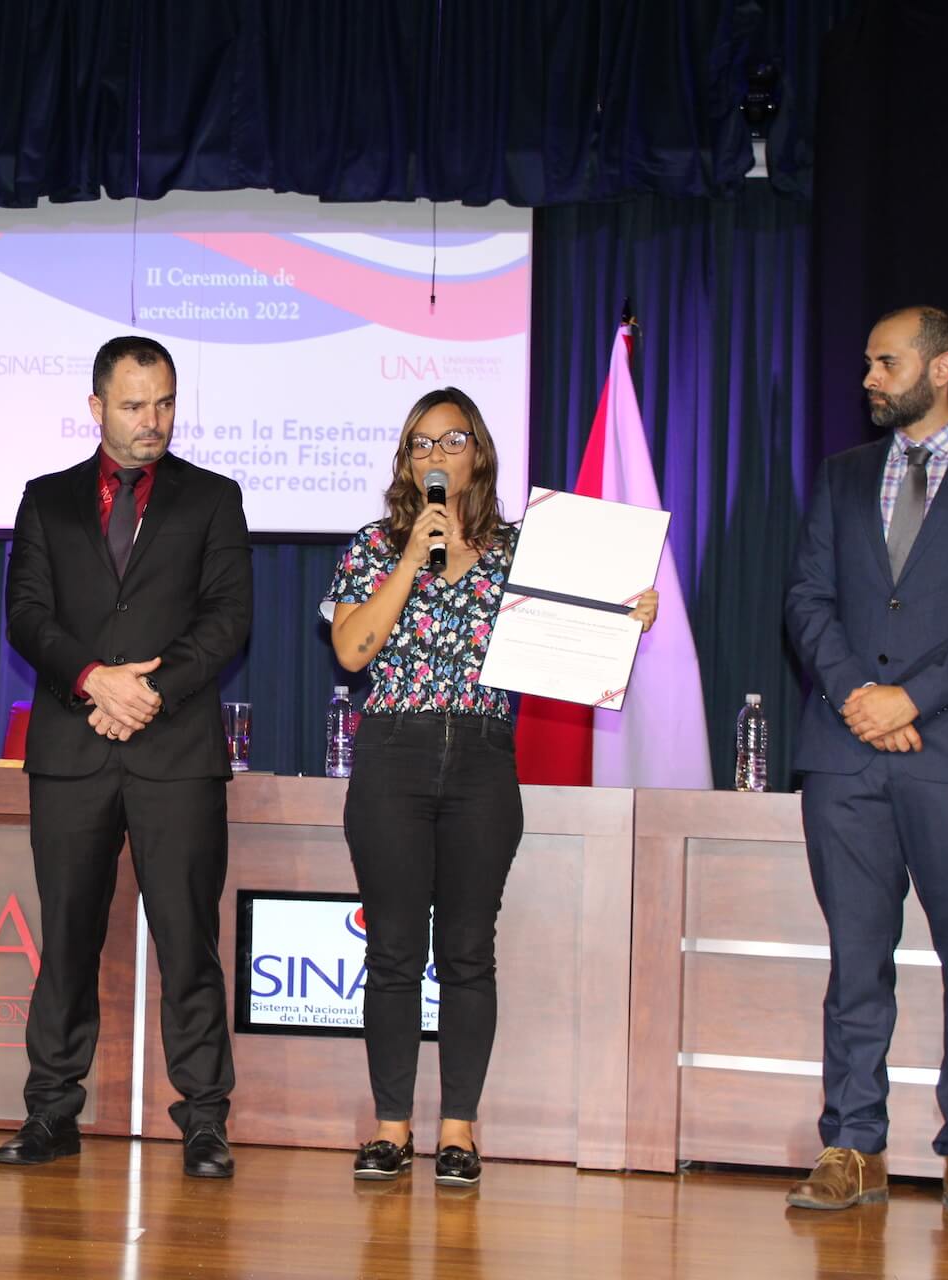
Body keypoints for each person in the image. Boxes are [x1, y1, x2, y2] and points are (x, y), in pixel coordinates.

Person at [322, 387, 655, 1186]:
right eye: (421, 444)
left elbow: (573, 641)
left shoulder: (521, 551)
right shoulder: (374, 544)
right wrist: (410, 559)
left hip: (481, 757)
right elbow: (352, 652)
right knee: (395, 951)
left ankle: (461, 1131)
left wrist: (624, 619)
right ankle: (392, 1128)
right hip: (394, 754)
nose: (437, 455)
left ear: (479, 453)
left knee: (468, 951)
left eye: (453, 440)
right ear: (407, 461)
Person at [785, 307, 948, 1228]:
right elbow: (807, 598)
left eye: (885, 363)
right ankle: (853, 1144)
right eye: (866, 362)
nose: (868, 378)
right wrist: (860, 694)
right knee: (857, 961)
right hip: (845, 755)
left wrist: (911, 699)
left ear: (942, 368)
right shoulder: (843, 477)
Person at [0, 335, 253, 1179]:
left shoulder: (213, 498)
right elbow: (27, 616)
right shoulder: (45, 499)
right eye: (137, 404)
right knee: (66, 938)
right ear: (97, 405)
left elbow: (226, 619)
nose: (154, 421)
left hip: (175, 751)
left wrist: (148, 692)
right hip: (72, 750)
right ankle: (50, 1113)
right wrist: (93, 680)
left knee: (189, 942)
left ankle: (205, 1120)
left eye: (167, 403)